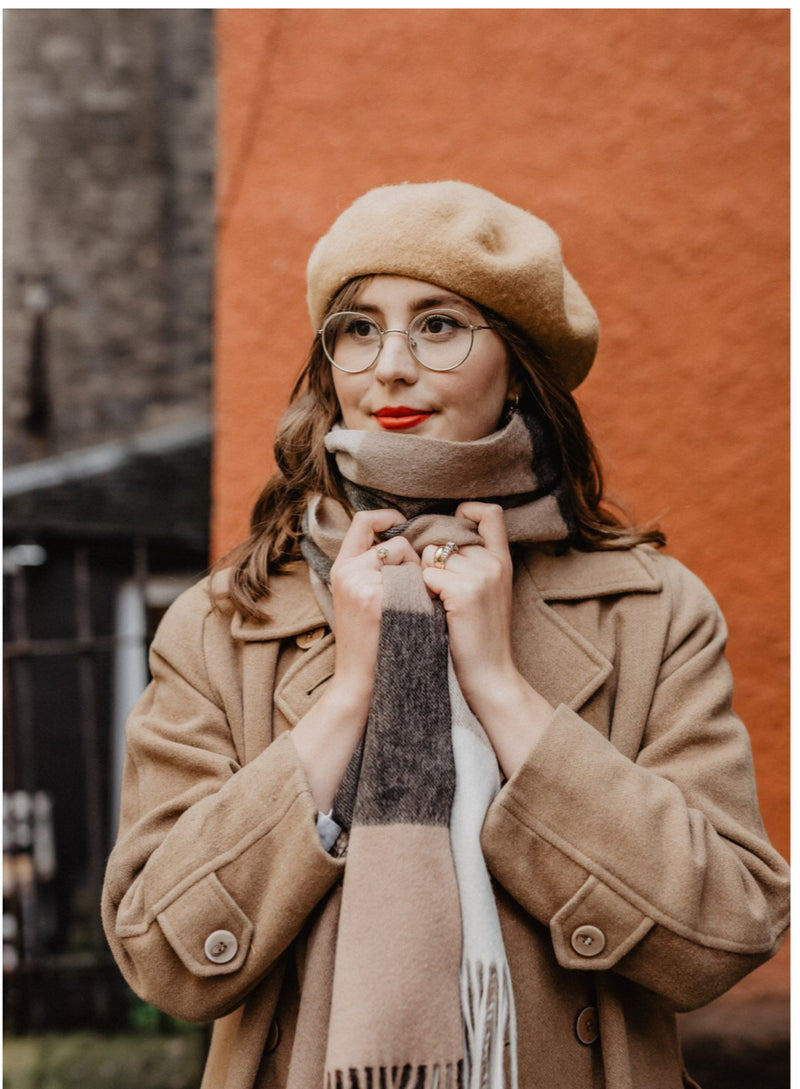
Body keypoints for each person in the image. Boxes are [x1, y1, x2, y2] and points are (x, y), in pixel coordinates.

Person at [102, 181, 789, 1089]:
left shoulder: (651, 611)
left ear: (520, 367)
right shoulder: (228, 621)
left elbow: (727, 931)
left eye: (438, 325)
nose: (390, 366)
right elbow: (161, 956)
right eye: (358, 328)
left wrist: (503, 688)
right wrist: (349, 696)